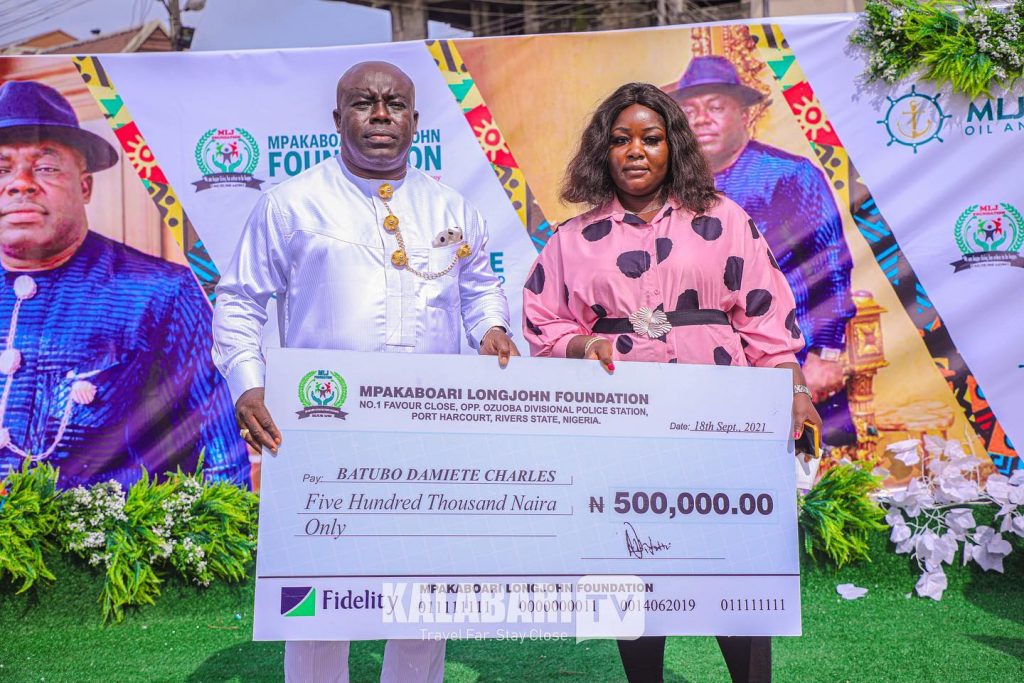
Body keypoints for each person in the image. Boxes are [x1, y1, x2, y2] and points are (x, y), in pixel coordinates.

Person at [212, 61, 517, 683]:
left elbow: (481, 289)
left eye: (394, 103)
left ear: (414, 120)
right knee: (320, 595)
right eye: (363, 102)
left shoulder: (450, 207)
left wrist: (490, 328)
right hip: (323, 425)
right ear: (337, 118)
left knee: (424, 593)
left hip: (430, 428)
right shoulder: (291, 203)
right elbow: (240, 301)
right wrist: (248, 384)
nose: (381, 115)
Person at [522, 82, 819, 682]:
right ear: (602, 151)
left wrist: (795, 388)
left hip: (720, 420)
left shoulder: (724, 219)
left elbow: (765, 317)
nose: (636, 150)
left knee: (733, 564)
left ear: (673, 147)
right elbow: (541, 322)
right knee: (631, 562)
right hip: (621, 428)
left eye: (651, 138)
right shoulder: (572, 239)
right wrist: (581, 343)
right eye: (621, 139)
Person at [0, 80, 247, 489]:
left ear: (84, 186)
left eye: (45, 167)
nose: (20, 183)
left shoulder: (163, 293)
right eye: (2, 169)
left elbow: (222, 465)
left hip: (109, 530)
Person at [668, 55, 857, 447]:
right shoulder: (669, 187)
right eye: (689, 111)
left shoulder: (790, 174)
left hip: (790, 356)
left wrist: (826, 352)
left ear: (744, 114)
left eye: (715, 107)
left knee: (806, 465)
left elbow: (830, 265)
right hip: (703, 367)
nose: (701, 120)